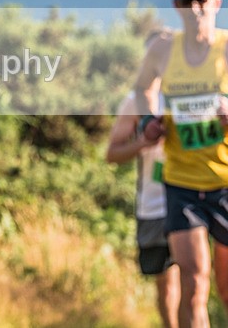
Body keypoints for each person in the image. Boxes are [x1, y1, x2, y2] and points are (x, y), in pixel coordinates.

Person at [135, 0, 228, 328]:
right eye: (187, 3)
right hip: (181, 184)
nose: (195, 10)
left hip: (224, 180)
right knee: (194, 282)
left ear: (216, 3)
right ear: (177, 7)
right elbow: (143, 87)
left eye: (202, 2)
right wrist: (148, 121)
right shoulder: (162, 48)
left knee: (226, 288)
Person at [107, 29, 180, 328]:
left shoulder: (193, 94)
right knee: (167, 283)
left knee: (194, 279)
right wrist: (143, 144)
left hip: (196, 193)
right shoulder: (133, 102)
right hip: (154, 205)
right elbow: (112, 153)